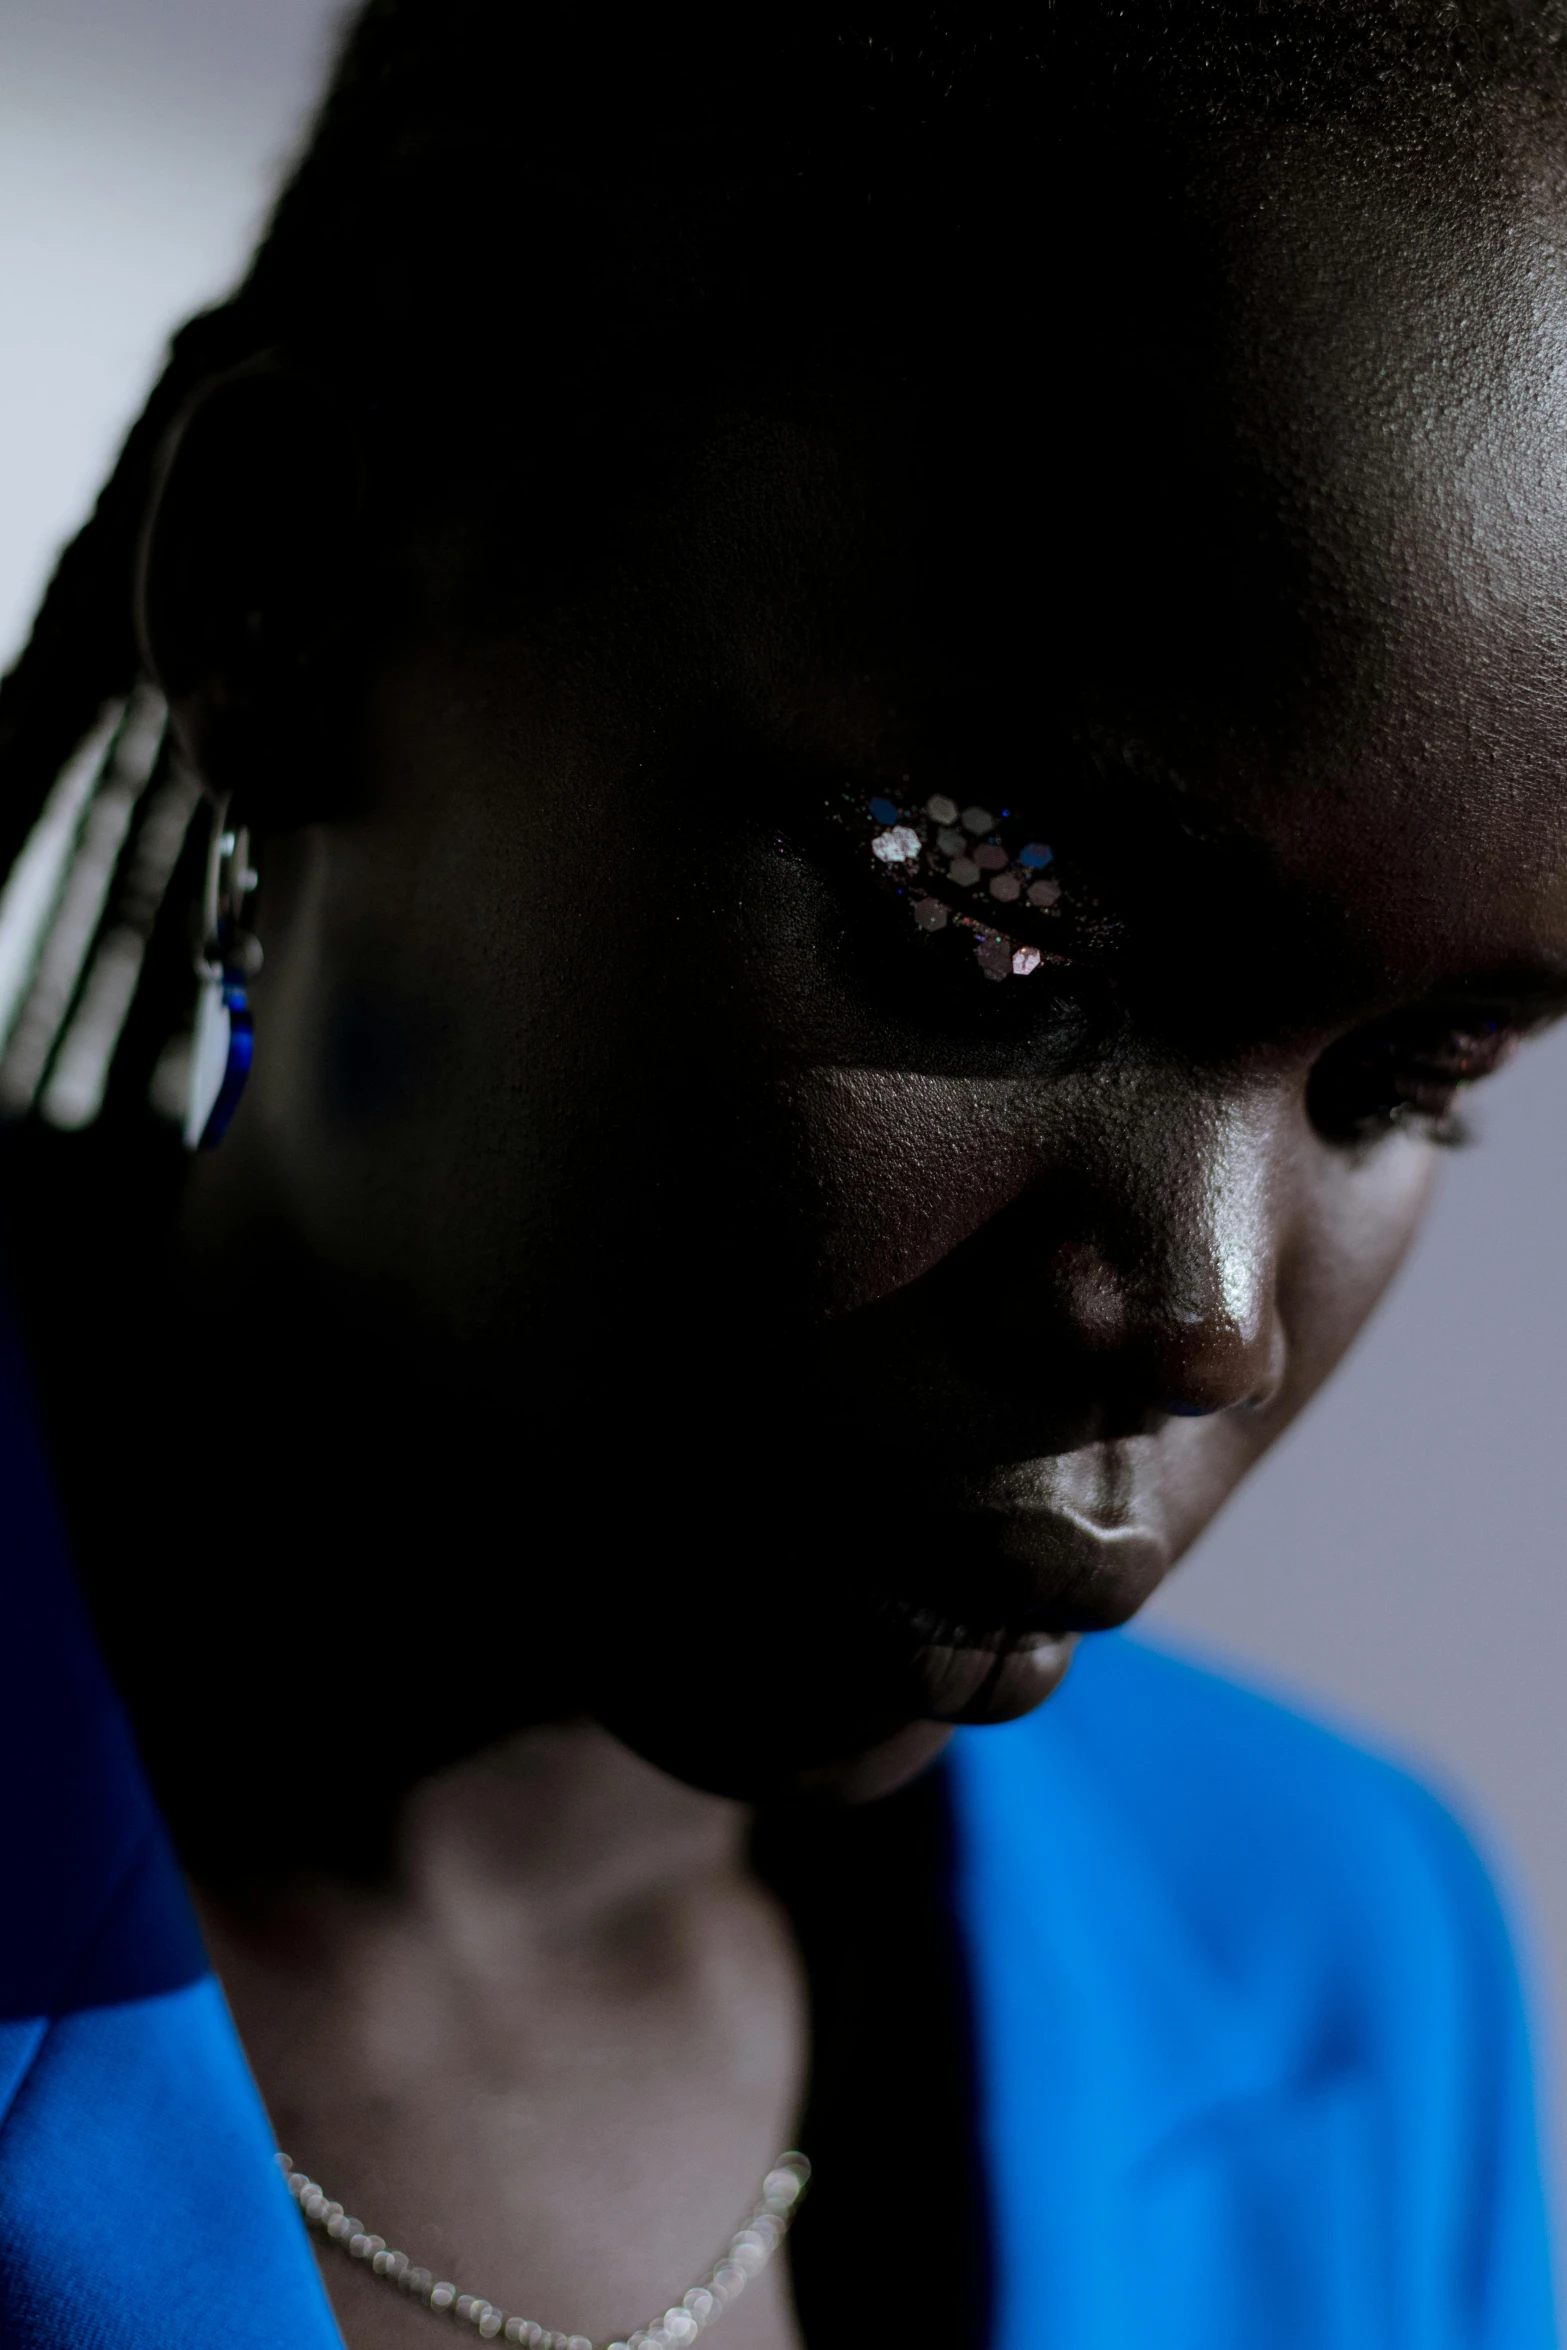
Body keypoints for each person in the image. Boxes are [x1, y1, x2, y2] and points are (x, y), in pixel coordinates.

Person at [0, 4, 1559, 2343]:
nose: (1210, 1307)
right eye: (992, 912)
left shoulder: (1345, 1972)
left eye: (1419, 1070)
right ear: (281, 593)